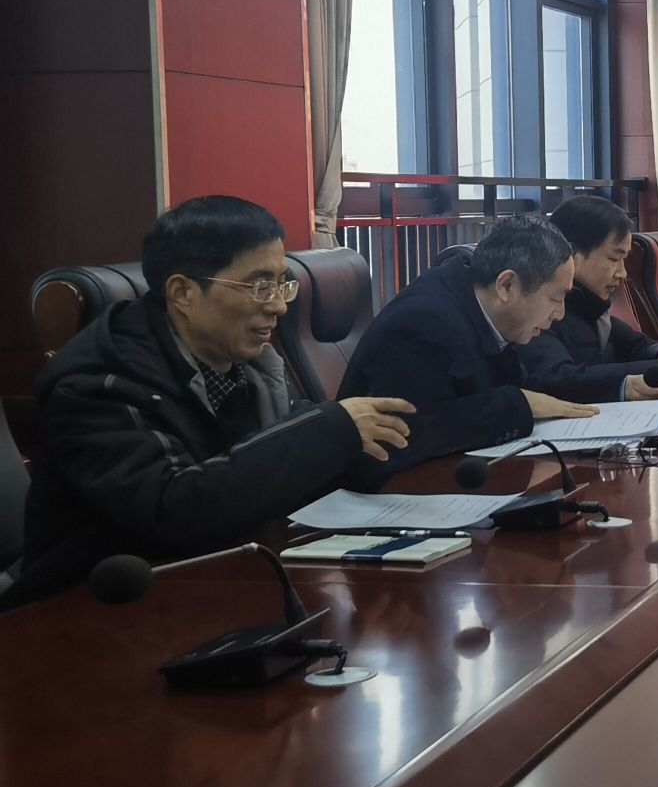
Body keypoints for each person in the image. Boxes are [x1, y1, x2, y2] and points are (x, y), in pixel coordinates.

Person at [2, 196, 414, 607]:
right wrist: (327, 431)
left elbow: (268, 465)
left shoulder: (247, 363)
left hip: (210, 586)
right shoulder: (98, 385)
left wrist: (359, 454)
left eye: (281, 284)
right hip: (83, 609)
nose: (278, 305)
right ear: (183, 292)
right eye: (259, 286)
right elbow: (174, 511)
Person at [340, 214, 595, 475]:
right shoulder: (424, 322)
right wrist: (516, 404)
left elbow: (528, 390)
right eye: (555, 298)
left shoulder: (481, 307)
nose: (560, 314)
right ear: (506, 285)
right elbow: (410, 434)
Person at [515, 196, 658, 404]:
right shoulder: (540, 310)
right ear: (572, 255)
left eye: (624, 259)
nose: (622, 273)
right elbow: (559, 378)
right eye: (614, 258)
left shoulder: (592, 307)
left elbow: (641, 345)